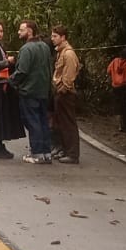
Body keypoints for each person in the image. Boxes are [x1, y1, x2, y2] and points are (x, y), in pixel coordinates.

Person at [10, 20, 54, 164]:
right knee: (43, 121)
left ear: (29, 31)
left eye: (21, 30)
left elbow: (22, 71)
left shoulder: (26, 49)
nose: (19, 32)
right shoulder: (45, 47)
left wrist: (11, 81)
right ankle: (47, 152)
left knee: (32, 121)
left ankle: (37, 152)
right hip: (43, 90)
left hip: (29, 91)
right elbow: (49, 68)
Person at [0, 20, 24, 161]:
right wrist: (8, 61)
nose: (0, 33)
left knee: (0, 116)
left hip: (1, 84)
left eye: (1, 31)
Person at [49, 24, 81, 164]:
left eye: (55, 36)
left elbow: (68, 77)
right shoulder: (60, 52)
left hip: (65, 94)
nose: (52, 39)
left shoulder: (68, 54)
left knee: (68, 124)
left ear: (63, 37)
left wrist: (62, 90)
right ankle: (65, 149)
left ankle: (73, 153)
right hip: (59, 92)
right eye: (52, 36)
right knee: (59, 124)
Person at [107, 48, 126, 133]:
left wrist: (114, 76)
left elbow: (108, 70)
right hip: (125, 87)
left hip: (115, 87)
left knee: (118, 106)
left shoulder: (114, 61)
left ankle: (120, 125)